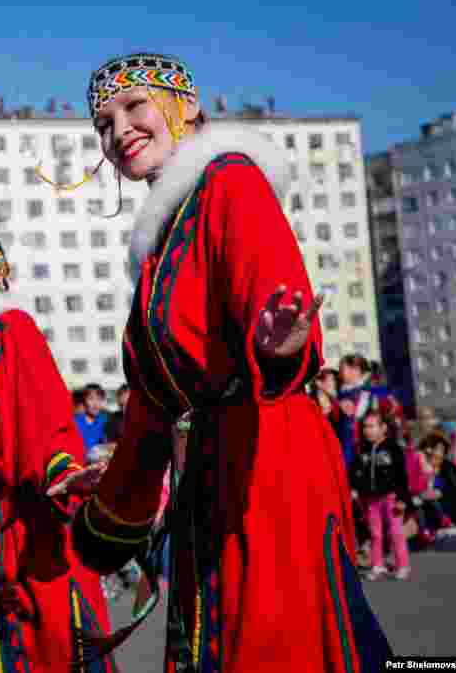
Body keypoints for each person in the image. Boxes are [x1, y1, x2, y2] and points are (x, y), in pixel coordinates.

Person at [66, 53, 391, 671]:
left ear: (188, 109)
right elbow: (151, 407)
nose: (119, 130)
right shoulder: (163, 238)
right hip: (207, 474)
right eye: (104, 124)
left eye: (135, 107)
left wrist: (278, 342)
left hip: (266, 459)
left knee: (272, 642)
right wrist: (113, 496)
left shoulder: (230, 181)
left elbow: (276, 296)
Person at [0, 223, 117, 672]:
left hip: (24, 524)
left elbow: (44, 415)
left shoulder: (12, 328)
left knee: (44, 646)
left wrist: (63, 469)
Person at [349, 411, 411, 581]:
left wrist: (402, 499)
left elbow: (402, 476)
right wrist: (354, 488)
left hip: (391, 498)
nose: (367, 431)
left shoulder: (393, 448)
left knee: (395, 532)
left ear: (383, 428)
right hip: (371, 499)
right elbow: (355, 472)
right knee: (375, 533)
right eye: (365, 427)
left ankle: (403, 565)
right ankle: (378, 565)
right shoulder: (363, 450)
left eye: (371, 426)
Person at [75, 384, 110, 462]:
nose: (95, 403)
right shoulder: (76, 423)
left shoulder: (105, 421)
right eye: (91, 399)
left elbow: (108, 445)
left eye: (99, 399)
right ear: (84, 401)